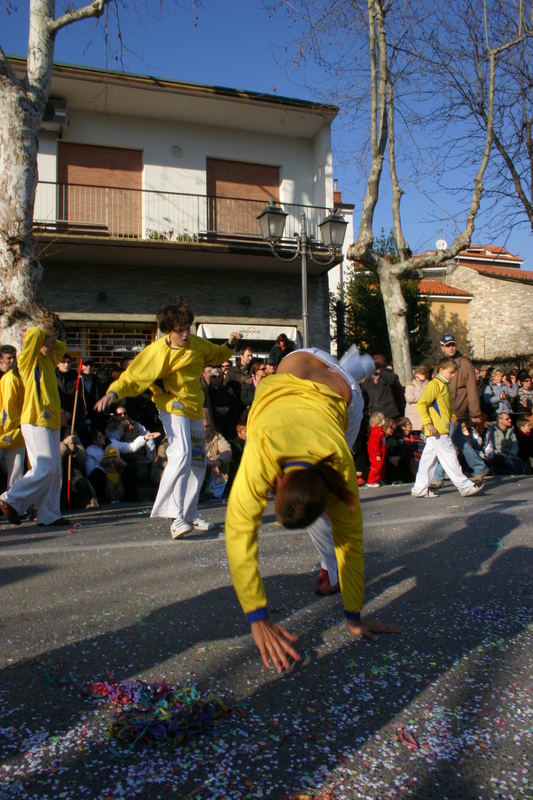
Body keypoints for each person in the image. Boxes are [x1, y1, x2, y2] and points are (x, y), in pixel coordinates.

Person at [224, 347, 399, 673]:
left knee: (323, 510)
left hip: (333, 385)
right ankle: (359, 363)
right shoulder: (267, 448)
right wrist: (257, 617)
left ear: (274, 481)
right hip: (317, 370)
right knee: (321, 508)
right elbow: (350, 541)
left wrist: (257, 615)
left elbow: (350, 541)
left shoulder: (332, 460)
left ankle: (358, 364)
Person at [95, 297, 240, 539]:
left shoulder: (197, 344)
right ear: (168, 331)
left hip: (194, 407)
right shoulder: (157, 353)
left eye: (187, 328)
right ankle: (175, 516)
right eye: (180, 330)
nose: (185, 334)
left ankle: (190, 513)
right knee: (181, 453)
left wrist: (230, 344)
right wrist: (113, 392)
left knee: (197, 461)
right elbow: (132, 377)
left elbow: (216, 354)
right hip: (171, 406)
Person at [0, 325, 70, 526]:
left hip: (51, 421)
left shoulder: (50, 360)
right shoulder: (28, 361)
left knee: (55, 471)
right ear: (39, 341)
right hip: (34, 419)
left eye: (54, 337)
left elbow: (62, 346)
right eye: (49, 338)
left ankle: (49, 515)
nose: (53, 342)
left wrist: (50, 333)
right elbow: (33, 338)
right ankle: (11, 498)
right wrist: (38, 329)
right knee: (45, 467)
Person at [411, 357, 483, 499]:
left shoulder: (443, 385)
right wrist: (428, 424)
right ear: (441, 370)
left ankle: (419, 489)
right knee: (450, 456)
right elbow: (421, 404)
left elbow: (443, 405)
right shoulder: (434, 385)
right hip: (437, 430)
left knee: (428, 461)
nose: (453, 375)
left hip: (439, 429)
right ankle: (464, 486)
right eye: (451, 372)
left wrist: (451, 414)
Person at [431, 333, 489, 486]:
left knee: (444, 441)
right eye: (448, 345)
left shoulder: (465, 364)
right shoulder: (440, 363)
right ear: (442, 347)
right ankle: (479, 466)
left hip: (457, 409)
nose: (451, 348)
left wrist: (475, 412)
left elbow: (472, 388)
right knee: (458, 440)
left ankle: (437, 476)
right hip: (442, 408)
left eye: (453, 344)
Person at [0, 345, 25, 493]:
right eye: (9, 358)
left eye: (14, 357)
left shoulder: (15, 377)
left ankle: (14, 505)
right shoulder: (10, 378)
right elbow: (7, 406)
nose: (12, 361)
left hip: (14, 428)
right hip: (7, 428)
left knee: (16, 471)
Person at [404, 365, 429, 432]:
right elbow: (409, 398)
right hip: (413, 416)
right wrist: (423, 396)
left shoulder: (429, 385)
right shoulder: (411, 384)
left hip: (425, 416)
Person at [366, 411, 386, 487]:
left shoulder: (379, 430)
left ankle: (378, 479)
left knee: (381, 466)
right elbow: (374, 444)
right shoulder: (376, 431)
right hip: (376, 453)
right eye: (383, 419)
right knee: (376, 467)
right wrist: (377, 454)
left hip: (380, 452)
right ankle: (371, 481)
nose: (385, 420)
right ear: (379, 421)